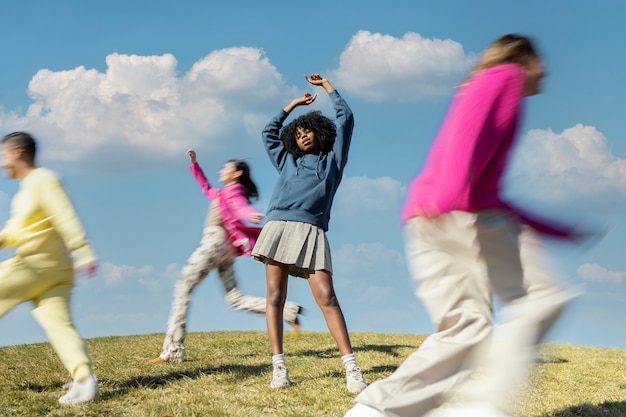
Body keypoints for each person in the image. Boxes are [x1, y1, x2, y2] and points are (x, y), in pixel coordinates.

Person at [345, 34, 578, 417]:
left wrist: (558, 229)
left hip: (426, 214)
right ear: (524, 57)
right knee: (544, 297)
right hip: (460, 211)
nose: (545, 72)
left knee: (465, 327)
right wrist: (452, 196)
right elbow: (467, 136)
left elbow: (491, 187)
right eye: (541, 62)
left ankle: (374, 411)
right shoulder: (506, 76)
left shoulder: (478, 85)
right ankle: (484, 405)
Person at [252, 73, 367, 393]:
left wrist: (327, 88)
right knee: (275, 297)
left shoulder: (333, 161)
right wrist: (292, 105)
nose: (303, 135)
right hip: (278, 225)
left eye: (308, 130)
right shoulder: (286, 159)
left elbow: (346, 119)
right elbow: (268, 131)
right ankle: (279, 368)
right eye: (298, 132)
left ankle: (352, 369)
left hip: (311, 229)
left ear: (320, 133)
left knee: (327, 297)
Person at [150, 149, 303, 364]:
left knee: (182, 288)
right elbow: (206, 188)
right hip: (227, 250)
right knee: (235, 298)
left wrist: (249, 214)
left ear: (236, 174)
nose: (221, 170)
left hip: (214, 244)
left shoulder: (233, 191)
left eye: (226, 168)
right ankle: (289, 311)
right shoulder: (222, 193)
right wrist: (195, 165)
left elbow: (239, 206)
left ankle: (173, 351)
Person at [0, 131, 99, 405]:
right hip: (55, 273)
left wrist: (83, 251)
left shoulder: (43, 180)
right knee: (59, 326)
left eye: (3, 155)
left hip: (34, 265)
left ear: (17, 152)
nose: (2, 162)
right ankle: (85, 382)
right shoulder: (28, 188)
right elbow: (17, 229)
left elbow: (64, 215)